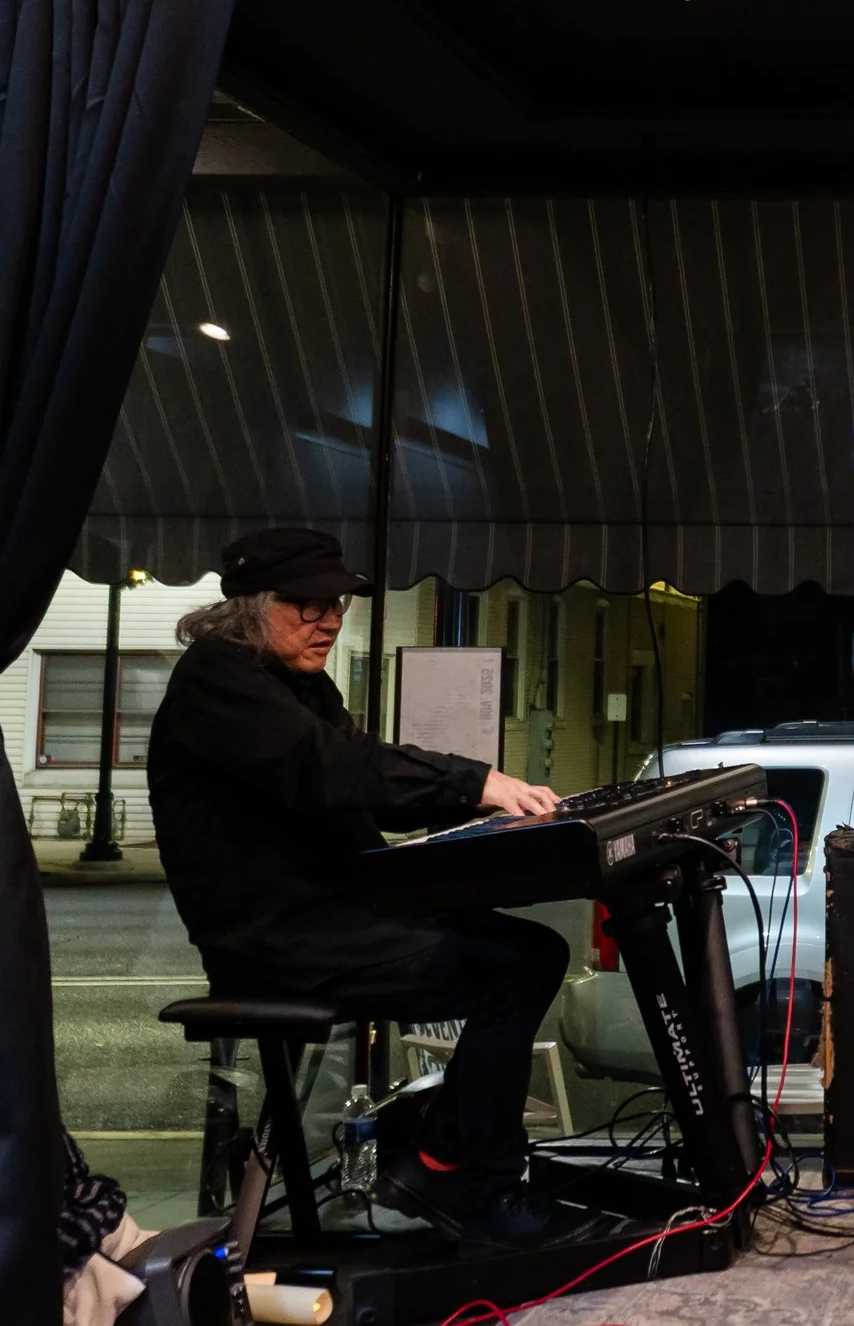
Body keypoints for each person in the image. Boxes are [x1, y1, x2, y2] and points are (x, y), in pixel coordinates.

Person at [148, 527, 573, 1247]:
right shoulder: (217, 680)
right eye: (306, 603)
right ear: (250, 605)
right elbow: (334, 767)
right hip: (278, 938)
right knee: (512, 969)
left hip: (336, 912)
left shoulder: (297, 683)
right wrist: (478, 781)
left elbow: (358, 794)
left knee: (532, 949)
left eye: (336, 604)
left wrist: (484, 808)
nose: (328, 618)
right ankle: (472, 1181)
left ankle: (438, 1158)